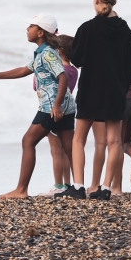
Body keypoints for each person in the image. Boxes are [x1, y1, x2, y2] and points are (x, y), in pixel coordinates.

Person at [0, 13, 76, 199]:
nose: (27, 29)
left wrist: (56, 105)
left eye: (30, 27)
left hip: (51, 106)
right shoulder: (43, 53)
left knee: (28, 141)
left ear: (40, 32)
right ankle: (78, 187)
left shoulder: (47, 54)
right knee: (70, 147)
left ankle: (21, 190)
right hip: (66, 105)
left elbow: (63, 78)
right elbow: (24, 70)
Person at [56, 0, 131, 201]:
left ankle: (79, 186)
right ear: (114, 1)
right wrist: (123, 89)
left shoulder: (87, 29)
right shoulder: (125, 29)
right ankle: (106, 188)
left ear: (96, 0)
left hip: (91, 88)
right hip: (116, 89)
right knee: (114, 141)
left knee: (79, 138)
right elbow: (128, 63)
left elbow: (77, 60)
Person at [88, 35, 131, 194]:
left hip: (122, 99)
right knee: (127, 141)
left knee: (116, 143)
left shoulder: (114, 47)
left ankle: (116, 187)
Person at [39, 34, 77, 196]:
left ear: (59, 51)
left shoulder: (57, 70)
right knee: (67, 151)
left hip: (52, 109)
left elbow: (36, 85)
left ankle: (58, 184)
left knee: (56, 152)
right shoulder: (73, 71)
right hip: (68, 110)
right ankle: (69, 183)